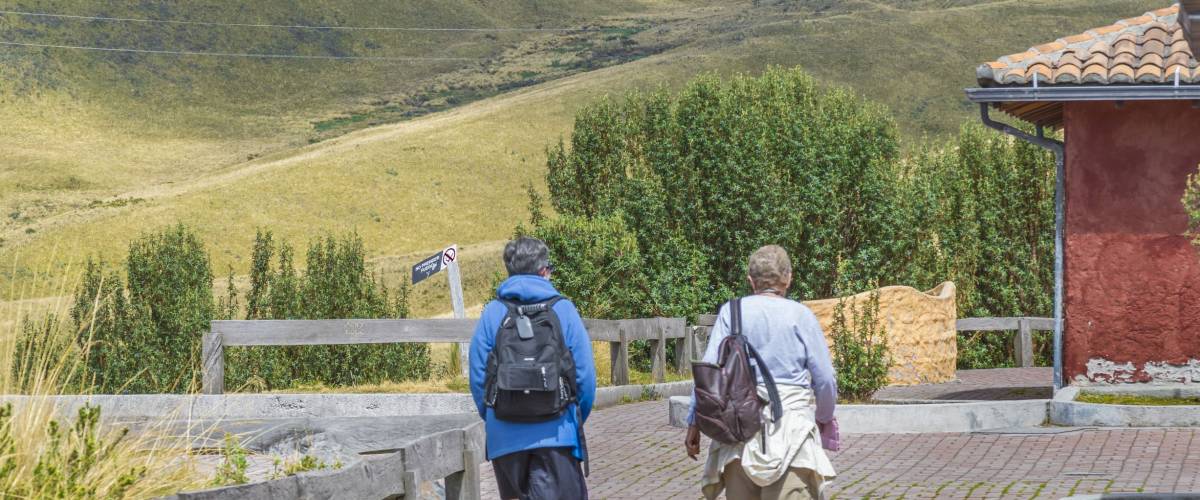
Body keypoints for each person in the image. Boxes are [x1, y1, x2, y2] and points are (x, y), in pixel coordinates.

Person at [684, 245, 839, 500]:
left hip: (738, 434)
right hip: (791, 432)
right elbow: (824, 379)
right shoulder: (801, 316)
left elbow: (709, 374)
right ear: (788, 278)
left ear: (750, 281)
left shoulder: (731, 313)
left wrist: (694, 423)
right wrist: (824, 417)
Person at [469, 236, 596, 500]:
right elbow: (585, 379)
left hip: (504, 439)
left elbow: (478, 377)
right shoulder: (563, 310)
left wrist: (496, 416)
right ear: (543, 270)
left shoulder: (493, 313)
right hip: (557, 434)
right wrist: (572, 417)